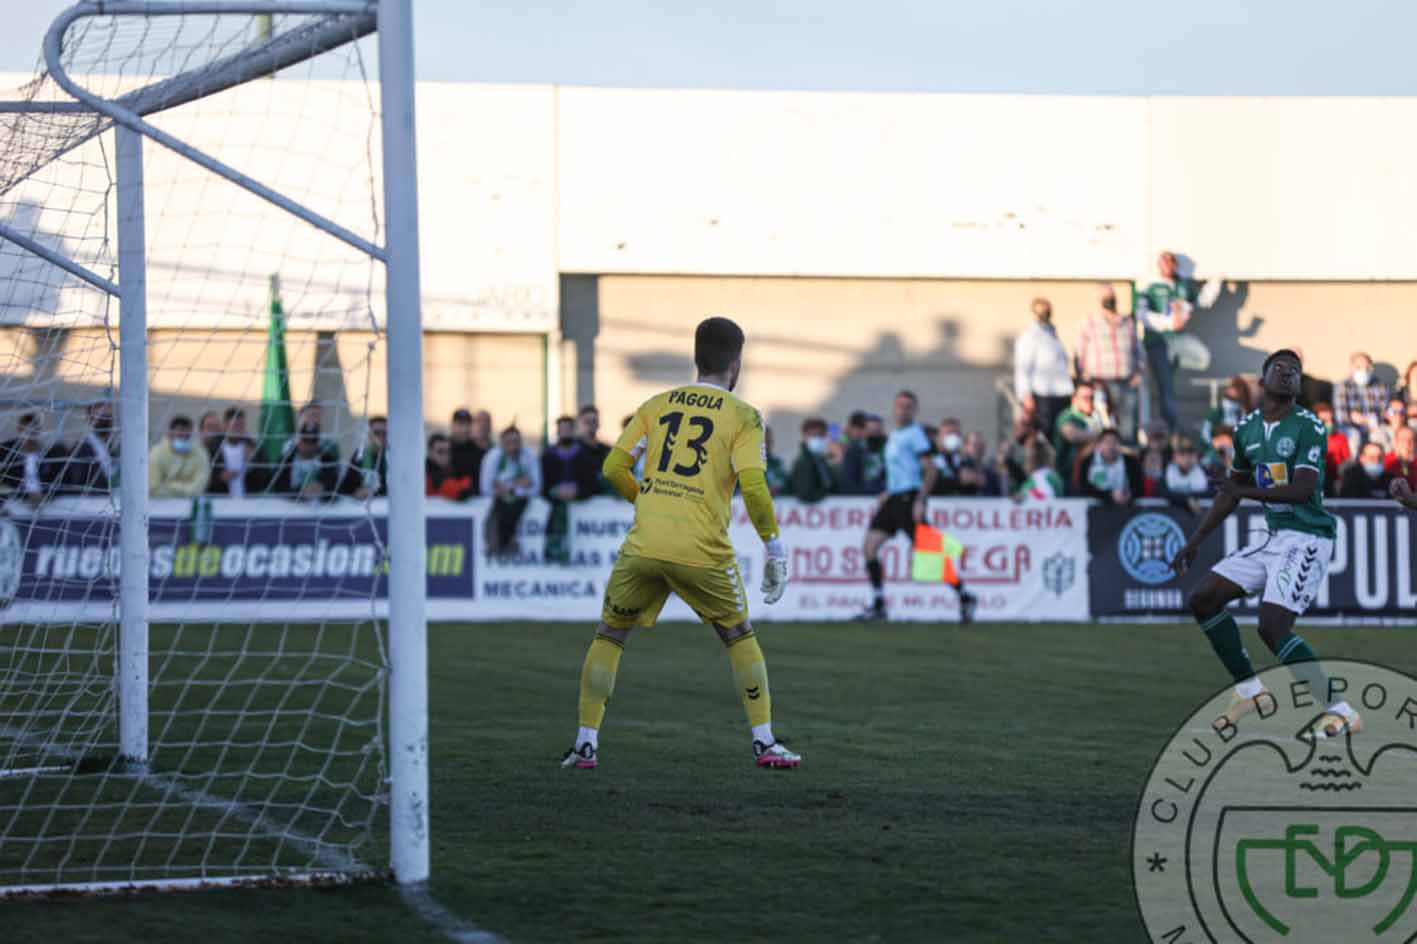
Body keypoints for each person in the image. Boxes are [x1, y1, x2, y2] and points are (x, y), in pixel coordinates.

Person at [562, 316, 797, 771]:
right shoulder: (744, 416)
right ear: (737, 363)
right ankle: (764, 743)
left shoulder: (656, 403)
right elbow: (752, 483)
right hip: (701, 549)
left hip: (644, 544)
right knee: (737, 634)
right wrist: (773, 547)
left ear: (696, 357)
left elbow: (613, 466)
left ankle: (585, 745)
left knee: (610, 634)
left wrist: (645, 499)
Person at [1171, 349, 1360, 740]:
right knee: (1203, 599)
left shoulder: (1309, 425)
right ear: (1262, 380)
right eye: (1280, 367)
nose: (1288, 372)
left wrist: (1243, 488)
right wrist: (1194, 542)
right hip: (1274, 538)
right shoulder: (1247, 429)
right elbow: (1230, 494)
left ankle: (1341, 711)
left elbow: (1303, 489)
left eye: (1295, 370)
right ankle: (1250, 691)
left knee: (1272, 626)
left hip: (1308, 536)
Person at [857, 391, 976, 623]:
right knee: (870, 546)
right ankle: (879, 603)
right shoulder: (893, 437)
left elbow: (930, 469)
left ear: (915, 410)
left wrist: (921, 499)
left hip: (909, 499)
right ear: (894, 409)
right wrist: (887, 491)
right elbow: (898, 470)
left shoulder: (916, 435)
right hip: (894, 498)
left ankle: (964, 595)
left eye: (908, 407)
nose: (903, 410)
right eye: (900, 406)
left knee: (930, 554)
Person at [1133, 250, 1195, 432]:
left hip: (1180, 341)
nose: (1168, 265)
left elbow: (1189, 309)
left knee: (1174, 384)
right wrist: (1168, 324)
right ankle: (1170, 428)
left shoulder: (1182, 285)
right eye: (1164, 261)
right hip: (1158, 341)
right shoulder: (1149, 285)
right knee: (1164, 386)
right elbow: (1142, 314)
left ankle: (1171, 425)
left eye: (1172, 261)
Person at [1074, 284, 1142, 443]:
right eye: (1105, 298)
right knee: (1102, 425)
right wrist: (1084, 380)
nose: (1109, 301)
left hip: (1126, 382)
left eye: (1111, 297)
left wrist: (1138, 372)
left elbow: (1138, 351)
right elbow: (1080, 353)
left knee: (1127, 425)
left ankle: (1126, 458)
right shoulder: (1089, 323)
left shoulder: (1128, 323)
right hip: (1099, 383)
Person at [1013, 297, 1073, 438]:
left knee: (1058, 436)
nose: (1044, 314)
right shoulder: (1029, 337)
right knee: (1043, 436)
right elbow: (1023, 368)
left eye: (1046, 311)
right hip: (1043, 396)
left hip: (1060, 395)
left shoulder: (1052, 335)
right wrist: (1025, 395)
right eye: (1040, 311)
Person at [480, 425, 540, 559]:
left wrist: (509, 488)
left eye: (516, 443)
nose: (513, 447)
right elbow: (486, 488)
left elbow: (536, 487)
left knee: (514, 504)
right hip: (498, 502)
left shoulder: (528, 456)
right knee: (500, 508)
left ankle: (507, 544)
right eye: (508, 443)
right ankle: (496, 545)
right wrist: (519, 484)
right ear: (501, 443)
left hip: (520, 502)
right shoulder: (493, 457)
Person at [0, 413, 65, 506]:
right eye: (26, 429)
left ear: (38, 431)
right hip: (13, 502)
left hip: (44, 502)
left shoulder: (48, 455)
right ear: (19, 429)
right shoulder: (6, 451)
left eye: (33, 429)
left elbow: (55, 481)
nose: (29, 433)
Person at [267, 421, 340, 500]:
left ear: (318, 442)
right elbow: (276, 486)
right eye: (305, 441)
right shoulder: (287, 458)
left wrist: (323, 490)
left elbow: (336, 487)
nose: (309, 447)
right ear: (299, 440)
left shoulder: (327, 459)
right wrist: (300, 492)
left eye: (313, 442)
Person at [1333, 351, 1389, 452]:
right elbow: (1341, 418)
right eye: (1358, 367)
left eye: (1367, 368)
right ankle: (1355, 466)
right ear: (1351, 368)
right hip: (1351, 428)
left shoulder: (1380, 386)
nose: (1364, 371)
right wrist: (1368, 420)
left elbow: (1384, 414)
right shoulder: (1343, 386)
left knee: (1380, 435)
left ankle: (1385, 466)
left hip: (1374, 427)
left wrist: (1365, 420)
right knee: (1354, 437)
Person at [1053, 382, 1103, 489]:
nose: (1090, 401)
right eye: (1085, 398)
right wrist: (1099, 436)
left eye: (1092, 397)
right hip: (1069, 477)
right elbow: (1071, 435)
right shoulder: (1068, 415)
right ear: (1074, 399)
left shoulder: (1095, 417)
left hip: (1093, 475)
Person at [149, 415, 211, 498]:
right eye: (180, 434)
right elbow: (154, 487)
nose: (184, 438)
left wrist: (170, 486)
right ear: (169, 434)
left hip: (190, 504)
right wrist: (185, 489)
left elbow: (199, 486)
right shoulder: (156, 454)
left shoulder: (200, 453)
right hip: (160, 505)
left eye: (187, 435)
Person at [1075, 428, 1140, 505]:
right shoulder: (1087, 461)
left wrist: (1129, 494)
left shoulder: (1131, 461)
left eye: (1115, 442)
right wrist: (1109, 495)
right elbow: (1082, 487)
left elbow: (1138, 487)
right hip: (1093, 507)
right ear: (1099, 445)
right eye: (1107, 442)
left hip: (1124, 506)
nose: (1111, 446)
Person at [66, 402, 118, 494]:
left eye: (108, 416)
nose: (105, 421)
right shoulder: (81, 449)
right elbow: (78, 483)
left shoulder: (113, 447)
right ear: (90, 420)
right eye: (101, 417)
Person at [208, 407, 257, 497]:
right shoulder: (213, 447)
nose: (239, 430)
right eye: (235, 426)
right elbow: (205, 476)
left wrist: (251, 462)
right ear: (225, 426)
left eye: (241, 426)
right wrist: (220, 477)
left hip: (248, 502)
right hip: (221, 501)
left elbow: (264, 478)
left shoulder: (253, 447)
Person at [340, 415, 389, 500]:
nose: (381, 437)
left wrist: (376, 492)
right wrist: (356, 493)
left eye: (384, 433)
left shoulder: (395, 459)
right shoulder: (359, 455)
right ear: (369, 434)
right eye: (376, 433)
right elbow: (344, 489)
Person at [789, 417, 835, 504]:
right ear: (805, 436)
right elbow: (805, 494)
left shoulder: (822, 461)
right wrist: (826, 494)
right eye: (814, 435)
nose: (817, 439)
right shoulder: (803, 462)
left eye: (821, 435)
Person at [838, 413, 886, 495]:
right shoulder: (854, 452)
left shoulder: (888, 451)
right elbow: (848, 484)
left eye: (877, 431)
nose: (874, 435)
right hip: (861, 500)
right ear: (864, 431)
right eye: (870, 431)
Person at [1312, 402, 1350, 496]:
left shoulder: (1341, 438)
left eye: (1330, 420)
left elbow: (1346, 459)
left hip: (1336, 478)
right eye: (1324, 421)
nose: (1328, 424)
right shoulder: (1310, 437)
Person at [1162, 437, 1209, 512]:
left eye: (1190, 454)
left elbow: (1211, 492)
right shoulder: (1167, 471)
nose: (1187, 458)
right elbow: (1163, 492)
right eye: (1182, 454)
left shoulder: (1204, 471)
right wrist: (1187, 500)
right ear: (1174, 457)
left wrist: (1190, 497)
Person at [1200, 376, 1253, 444]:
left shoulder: (1245, 414)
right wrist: (1214, 445)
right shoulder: (1216, 412)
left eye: (1234, 400)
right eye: (1227, 397)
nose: (1229, 404)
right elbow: (1205, 435)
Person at [576, 405, 612, 493]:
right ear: (579, 424)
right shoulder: (573, 450)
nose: (592, 426)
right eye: (587, 422)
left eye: (594, 421)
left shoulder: (606, 450)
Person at [928, 418, 967, 496]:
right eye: (949, 433)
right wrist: (958, 479)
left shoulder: (963, 461)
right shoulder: (929, 459)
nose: (953, 437)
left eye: (956, 434)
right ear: (939, 436)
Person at [448, 408, 486, 486]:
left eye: (468, 424)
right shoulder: (443, 448)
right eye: (461, 424)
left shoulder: (479, 452)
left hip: (472, 496)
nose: (464, 429)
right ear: (453, 425)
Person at [1384, 425, 1417, 494]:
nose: (1407, 443)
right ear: (1396, 441)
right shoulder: (1385, 460)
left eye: (1411, 439)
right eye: (1403, 439)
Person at [763, 427, 791, 496]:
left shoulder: (777, 462)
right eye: (764, 440)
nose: (767, 443)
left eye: (769, 440)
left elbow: (787, 483)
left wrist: (779, 489)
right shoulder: (747, 465)